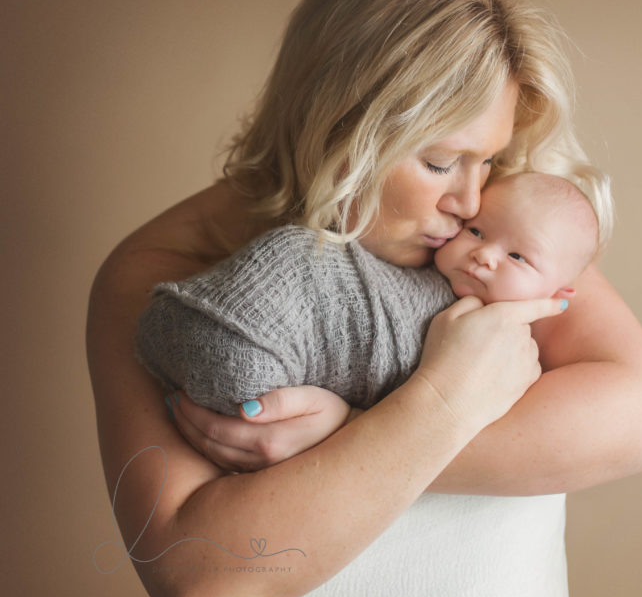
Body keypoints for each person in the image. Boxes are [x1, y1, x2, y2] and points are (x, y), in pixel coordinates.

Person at [86, 0, 642, 597]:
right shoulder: (168, 272)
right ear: (337, 121)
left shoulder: (490, 230)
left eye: (486, 160)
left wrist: (355, 431)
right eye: (439, 161)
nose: (468, 196)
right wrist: (429, 408)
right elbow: (199, 584)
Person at [135, 171, 600, 420]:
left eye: (518, 257)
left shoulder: (519, 360)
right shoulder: (404, 265)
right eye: (476, 231)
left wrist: (343, 425)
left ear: (559, 293)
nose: (485, 256)